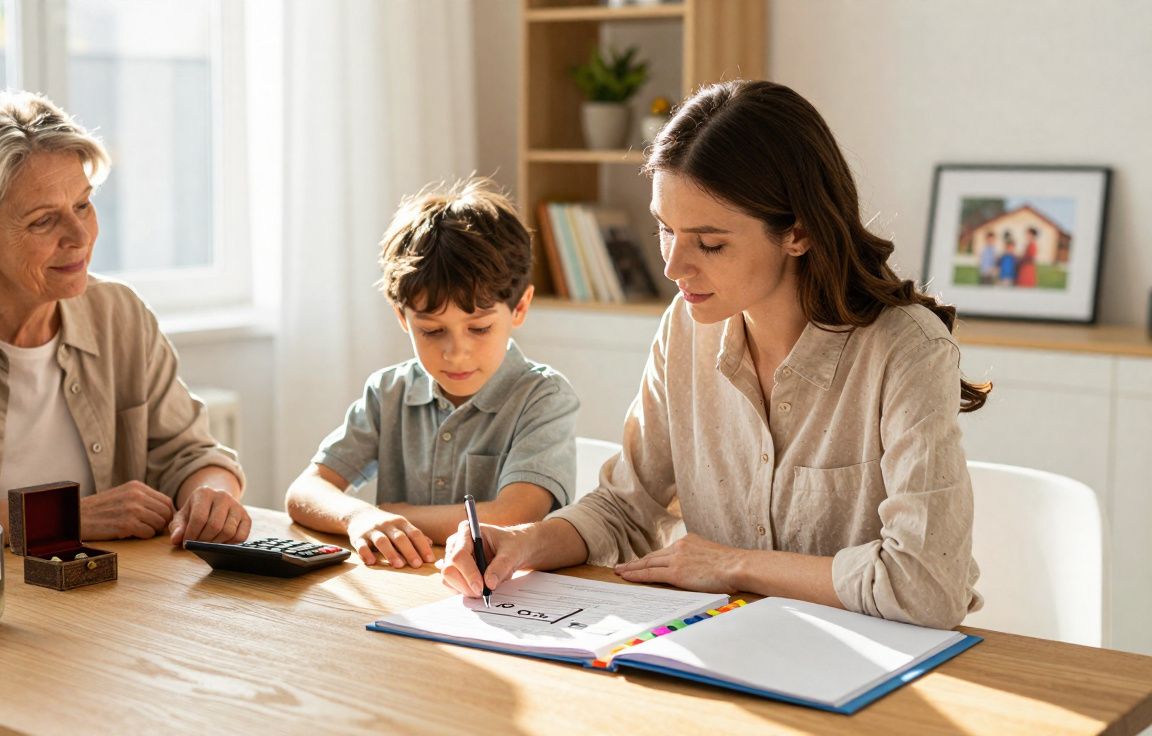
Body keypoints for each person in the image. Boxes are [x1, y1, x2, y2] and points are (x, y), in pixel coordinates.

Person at [438, 80, 991, 630]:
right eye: (665, 229)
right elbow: (627, 507)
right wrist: (521, 541)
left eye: (710, 243)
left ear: (797, 232)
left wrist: (735, 565)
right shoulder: (686, 327)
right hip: (726, 646)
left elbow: (926, 588)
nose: (673, 267)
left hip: (874, 672)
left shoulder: (906, 350)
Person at [0, 91, 250, 556]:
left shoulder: (120, 315)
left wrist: (211, 493)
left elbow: (189, 453)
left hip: (115, 603)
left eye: (82, 205)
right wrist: (64, 520)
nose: (80, 237)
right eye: (43, 221)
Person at [285, 178, 579, 569]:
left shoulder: (543, 397)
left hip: (506, 598)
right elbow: (305, 490)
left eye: (479, 328)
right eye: (432, 330)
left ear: (520, 308)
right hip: (405, 587)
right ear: (402, 317)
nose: (456, 352)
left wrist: (396, 513)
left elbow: (512, 517)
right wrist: (360, 516)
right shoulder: (388, 392)